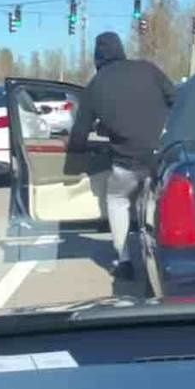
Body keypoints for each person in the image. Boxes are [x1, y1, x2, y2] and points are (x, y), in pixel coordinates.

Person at [68, 31, 176, 282]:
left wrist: (73, 164)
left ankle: (124, 259)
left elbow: (80, 131)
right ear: (121, 49)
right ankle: (168, 256)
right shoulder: (148, 69)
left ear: (98, 57)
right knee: (161, 205)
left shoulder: (96, 85)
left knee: (116, 200)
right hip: (158, 158)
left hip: (125, 164)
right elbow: (175, 99)